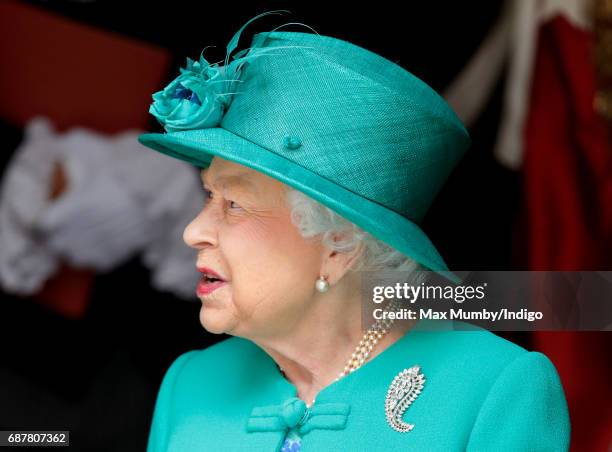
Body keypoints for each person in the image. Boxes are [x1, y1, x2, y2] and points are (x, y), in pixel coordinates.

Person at [137, 11, 571, 451]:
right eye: (208, 196)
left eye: (234, 204)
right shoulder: (189, 385)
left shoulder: (494, 392)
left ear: (338, 246)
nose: (194, 231)